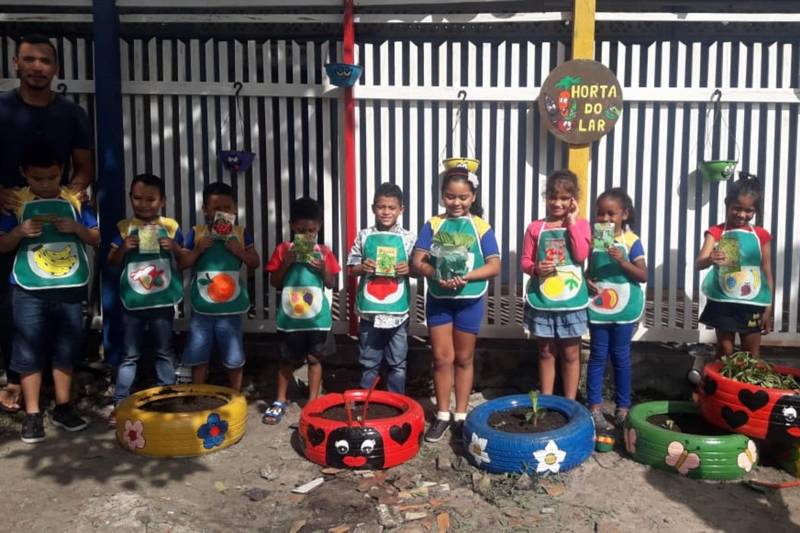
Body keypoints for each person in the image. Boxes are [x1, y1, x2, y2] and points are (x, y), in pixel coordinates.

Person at [0, 34, 94, 412]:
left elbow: (84, 166)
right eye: (29, 60)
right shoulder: (2, 109)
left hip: (56, 221)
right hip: (9, 215)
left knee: (65, 299)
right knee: (12, 302)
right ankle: (15, 382)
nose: (37, 67)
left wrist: (69, 195)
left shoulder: (71, 114)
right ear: (15, 65)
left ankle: (62, 394)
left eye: (45, 61)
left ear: (55, 68)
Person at [0, 143, 99, 443]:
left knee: (65, 348)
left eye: (52, 177)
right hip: (28, 288)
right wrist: (18, 233)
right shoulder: (15, 202)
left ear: (62, 174)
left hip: (69, 286)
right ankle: (32, 413)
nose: (45, 184)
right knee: (28, 350)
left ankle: (64, 406)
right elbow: (2, 244)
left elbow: (96, 238)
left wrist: (76, 229)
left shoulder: (76, 200)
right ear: (24, 175)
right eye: (38, 179)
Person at [411, 167, 501, 442]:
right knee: (441, 358)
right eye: (450, 197)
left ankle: (461, 415)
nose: (457, 203)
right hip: (439, 299)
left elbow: (495, 265)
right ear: (442, 197)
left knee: (464, 358)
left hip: (469, 299)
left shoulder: (481, 227)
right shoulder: (434, 224)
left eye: (463, 197)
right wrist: (435, 274)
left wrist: (466, 277)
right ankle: (442, 414)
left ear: (473, 197)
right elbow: (417, 261)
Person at [107, 174, 183, 421]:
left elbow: (184, 260)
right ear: (130, 198)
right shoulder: (123, 227)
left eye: (150, 199)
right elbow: (111, 261)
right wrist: (123, 248)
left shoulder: (171, 226)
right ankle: (120, 401)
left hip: (161, 300)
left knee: (164, 350)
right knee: (130, 354)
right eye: (137, 198)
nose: (143, 204)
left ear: (162, 201)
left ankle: (168, 399)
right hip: (133, 301)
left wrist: (174, 247)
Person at [263, 197, 340, 424]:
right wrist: (286, 263)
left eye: (312, 230)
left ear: (319, 228)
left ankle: (313, 401)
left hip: (316, 317)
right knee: (286, 359)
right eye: (301, 230)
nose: (306, 235)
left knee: (315, 358)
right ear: (291, 226)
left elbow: (331, 284)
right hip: (290, 317)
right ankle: (280, 400)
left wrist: (323, 268)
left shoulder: (324, 252)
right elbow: (275, 283)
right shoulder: (283, 250)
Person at [180, 182, 260, 391]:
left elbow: (255, 262)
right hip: (202, 307)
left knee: (233, 354)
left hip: (230, 307)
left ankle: (235, 395)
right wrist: (197, 250)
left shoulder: (241, 233)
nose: (222, 213)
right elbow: (182, 264)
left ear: (235, 209)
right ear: (205, 210)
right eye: (216, 208)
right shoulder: (196, 233)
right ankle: (198, 393)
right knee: (199, 352)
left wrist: (239, 251)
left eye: (227, 208)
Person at [520, 169, 591, 401]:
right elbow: (525, 261)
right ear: (546, 197)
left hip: (571, 301)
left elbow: (581, 255)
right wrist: (537, 268)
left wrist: (571, 223)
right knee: (546, 352)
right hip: (543, 299)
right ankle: (547, 400)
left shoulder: (582, 225)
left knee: (571, 353)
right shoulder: (534, 228)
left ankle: (570, 402)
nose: (557, 203)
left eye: (563, 198)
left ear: (574, 200)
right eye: (553, 196)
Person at [585, 188, 648, 430]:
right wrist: (586, 279)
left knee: (621, 357)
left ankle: (623, 407)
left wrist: (623, 260)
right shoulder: (595, 239)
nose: (605, 219)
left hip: (624, 309)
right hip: (600, 308)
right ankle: (594, 407)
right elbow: (591, 271)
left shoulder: (632, 241)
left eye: (611, 213)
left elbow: (642, 275)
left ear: (625, 214)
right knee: (598, 356)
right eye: (600, 213)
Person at [347, 183, 416, 394]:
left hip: (397, 313)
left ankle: (397, 402)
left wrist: (409, 268)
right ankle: (367, 402)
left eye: (391, 207)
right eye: (381, 207)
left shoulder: (409, 238)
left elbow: (420, 268)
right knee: (369, 361)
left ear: (401, 210)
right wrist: (362, 267)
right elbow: (351, 268)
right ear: (373, 208)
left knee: (398, 362)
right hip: (370, 312)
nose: (386, 212)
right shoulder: (364, 235)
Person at [696, 174, 773, 358]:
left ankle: (745, 387)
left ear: (755, 211)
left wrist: (768, 307)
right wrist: (711, 258)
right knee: (724, 351)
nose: (741, 215)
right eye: (736, 208)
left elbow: (767, 270)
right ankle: (718, 386)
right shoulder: (716, 232)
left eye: (749, 211)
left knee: (751, 355)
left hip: (752, 303)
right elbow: (699, 263)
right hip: (723, 302)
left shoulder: (761, 235)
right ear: (727, 204)